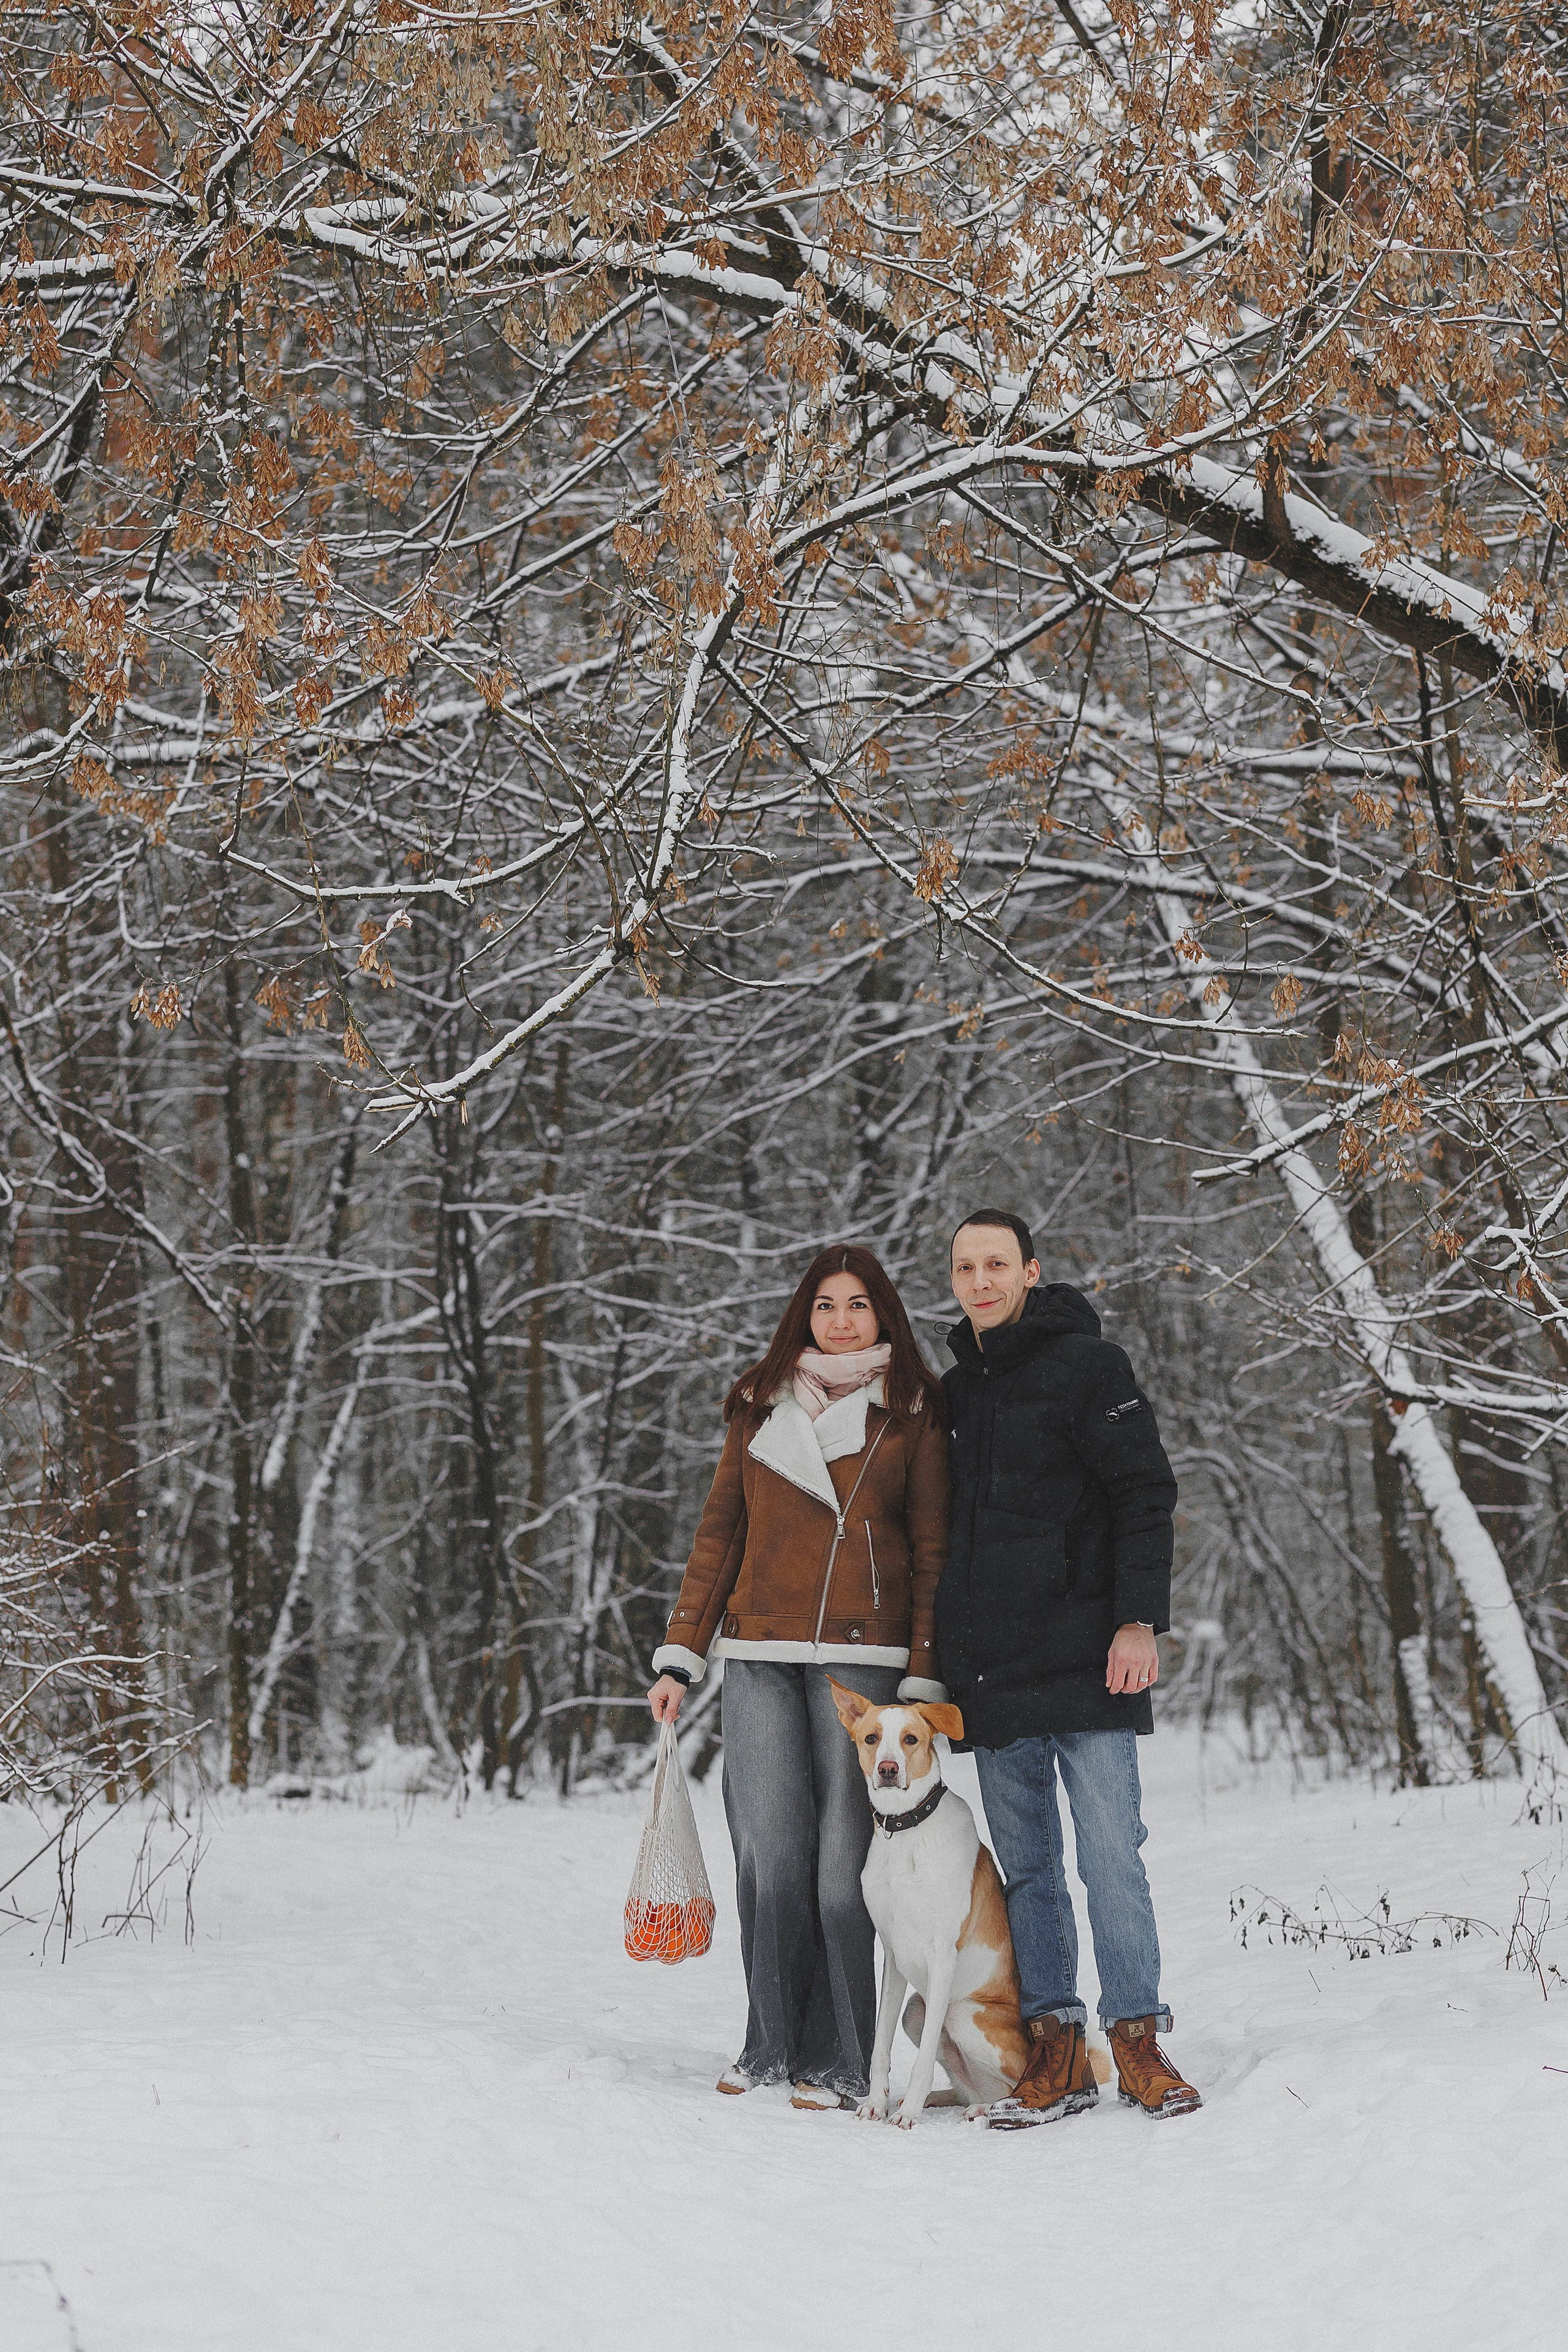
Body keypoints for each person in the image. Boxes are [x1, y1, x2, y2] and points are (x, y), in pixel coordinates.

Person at [646, 1246, 950, 2109]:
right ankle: (770, 2045)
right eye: (825, 1305)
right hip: (758, 1657)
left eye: (858, 1305)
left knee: (842, 1868)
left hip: (865, 1662)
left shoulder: (913, 1411)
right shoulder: (758, 1404)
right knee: (770, 1858)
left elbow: (933, 1552)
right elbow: (719, 1536)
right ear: (804, 1315)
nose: (841, 1321)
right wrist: (681, 1653)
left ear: (883, 1315)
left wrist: (925, 1673)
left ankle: (845, 2058)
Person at [935, 1208, 1202, 2124]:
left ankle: (1137, 2040)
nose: (980, 1281)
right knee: (1028, 1871)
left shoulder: (1092, 1367)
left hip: (1091, 1658)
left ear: (1030, 1271)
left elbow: (1144, 1494)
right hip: (993, 1669)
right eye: (965, 1267)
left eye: (996, 1264)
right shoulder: (955, 1393)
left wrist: (1138, 1621)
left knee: (1111, 1856)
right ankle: (1056, 2047)